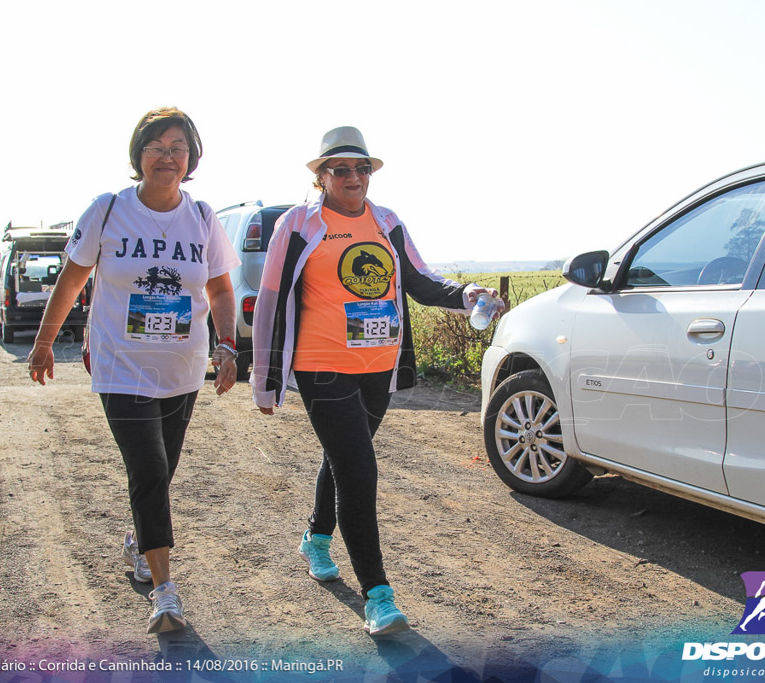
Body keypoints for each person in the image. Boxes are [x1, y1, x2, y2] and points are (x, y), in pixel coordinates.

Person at [251, 126, 502, 636]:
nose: (352, 177)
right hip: (322, 366)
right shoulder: (299, 223)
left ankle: (316, 538)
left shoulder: (386, 222)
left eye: (361, 168)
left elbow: (420, 279)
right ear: (321, 176)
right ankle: (379, 596)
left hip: (378, 367)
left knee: (344, 458)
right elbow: (273, 297)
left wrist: (468, 292)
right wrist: (266, 378)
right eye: (339, 168)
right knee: (359, 472)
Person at [27, 106, 241, 635]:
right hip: (120, 366)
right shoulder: (108, 210)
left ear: (190, 159)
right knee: (147, 470)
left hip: (183, 367)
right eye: (157, 146)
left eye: (178, 148)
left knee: (161, 471)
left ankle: (138, 541)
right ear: (138, 155)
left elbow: (218, 288)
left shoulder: (202, 217)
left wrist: (229, 347)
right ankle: (165, 593)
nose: (168, 156)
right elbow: (73, 280)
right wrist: (44, 341)